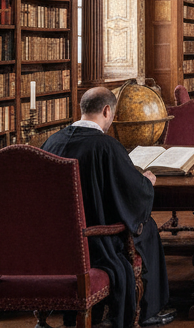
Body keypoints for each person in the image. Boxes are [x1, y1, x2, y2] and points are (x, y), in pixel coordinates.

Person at [42, 86, 173, 328]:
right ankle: (147, 311)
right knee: (148, 227)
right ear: (106, 110)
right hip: (95, 241)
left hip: (54, 241)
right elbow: (133, 195)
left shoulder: (52, 141)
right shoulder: (106, 146)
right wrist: (147, 182)